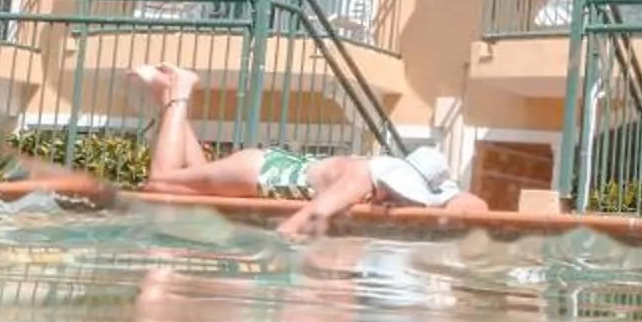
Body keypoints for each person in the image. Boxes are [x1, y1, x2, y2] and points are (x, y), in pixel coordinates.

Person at [130, 63, 485, 239]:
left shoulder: (386, 178)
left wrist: (434, 208)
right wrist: (268, 255)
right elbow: (307, 219)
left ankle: (165, 93)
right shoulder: (361, 178)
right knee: (160, 184)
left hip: (264, 173)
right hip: (261, 173)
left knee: (192, 191)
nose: (395, 202)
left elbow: (473, 204)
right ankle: (178, 90)